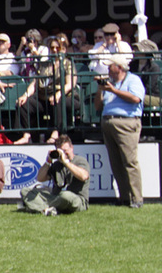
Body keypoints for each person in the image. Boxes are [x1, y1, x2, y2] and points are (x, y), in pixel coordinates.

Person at [98, 53, 146, 208]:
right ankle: (124, 197)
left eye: (110, 65)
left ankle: (136, 198)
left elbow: (135, 99)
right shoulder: (109, 84)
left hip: (126, 122)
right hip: (108, 121)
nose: (107, 68)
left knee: (129, 161)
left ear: (118, 67)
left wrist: (113, 90)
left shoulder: (133, 80)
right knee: (116, 162)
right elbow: (98, 106)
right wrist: (100, 90)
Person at [18, 134, 90, 215]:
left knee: (66, 196)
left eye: (65, 151)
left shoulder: (80, 161)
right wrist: (48, 161)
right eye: (60, 151)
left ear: (72, 148)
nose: (63, 154)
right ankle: (46, 210)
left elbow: (83, 176)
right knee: (25, 191)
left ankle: (36, 206)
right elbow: (40, 178)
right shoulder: (56, 164)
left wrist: (66, 162)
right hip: (56, 197)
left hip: (76, 199)